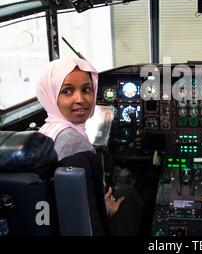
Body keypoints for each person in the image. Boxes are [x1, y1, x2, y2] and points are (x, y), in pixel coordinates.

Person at [36, 57, 143, 235]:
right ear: (51, 94)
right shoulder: (73, 142)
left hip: (51, 219)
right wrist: (106, 209)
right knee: (130, 195)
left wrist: (99, 198)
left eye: (86, 89)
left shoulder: (47, 129)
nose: (80, 99)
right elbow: (84, 216)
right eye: (67, 91)